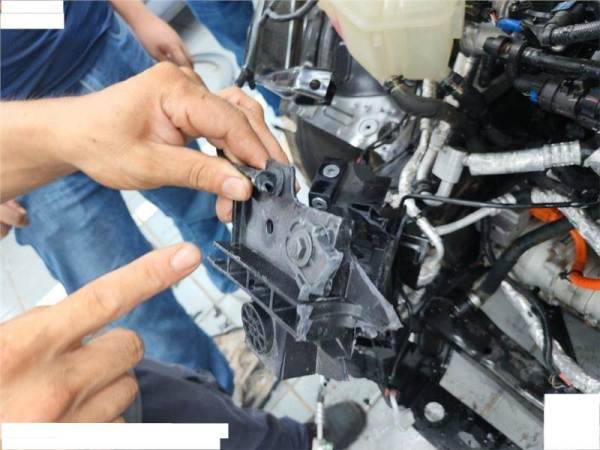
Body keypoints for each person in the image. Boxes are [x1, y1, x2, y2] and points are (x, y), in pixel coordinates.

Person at [0, 62, 367, 450]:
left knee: (158, 386)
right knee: (132, 331)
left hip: (81, 58)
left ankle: (283, 439)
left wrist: (60, 133)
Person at [0, 0, 273, 393]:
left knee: (208, 201)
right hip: (19, 145)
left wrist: (136, 14)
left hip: (97, 46)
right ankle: (209, 397)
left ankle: (268, 312)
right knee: (127, 306)